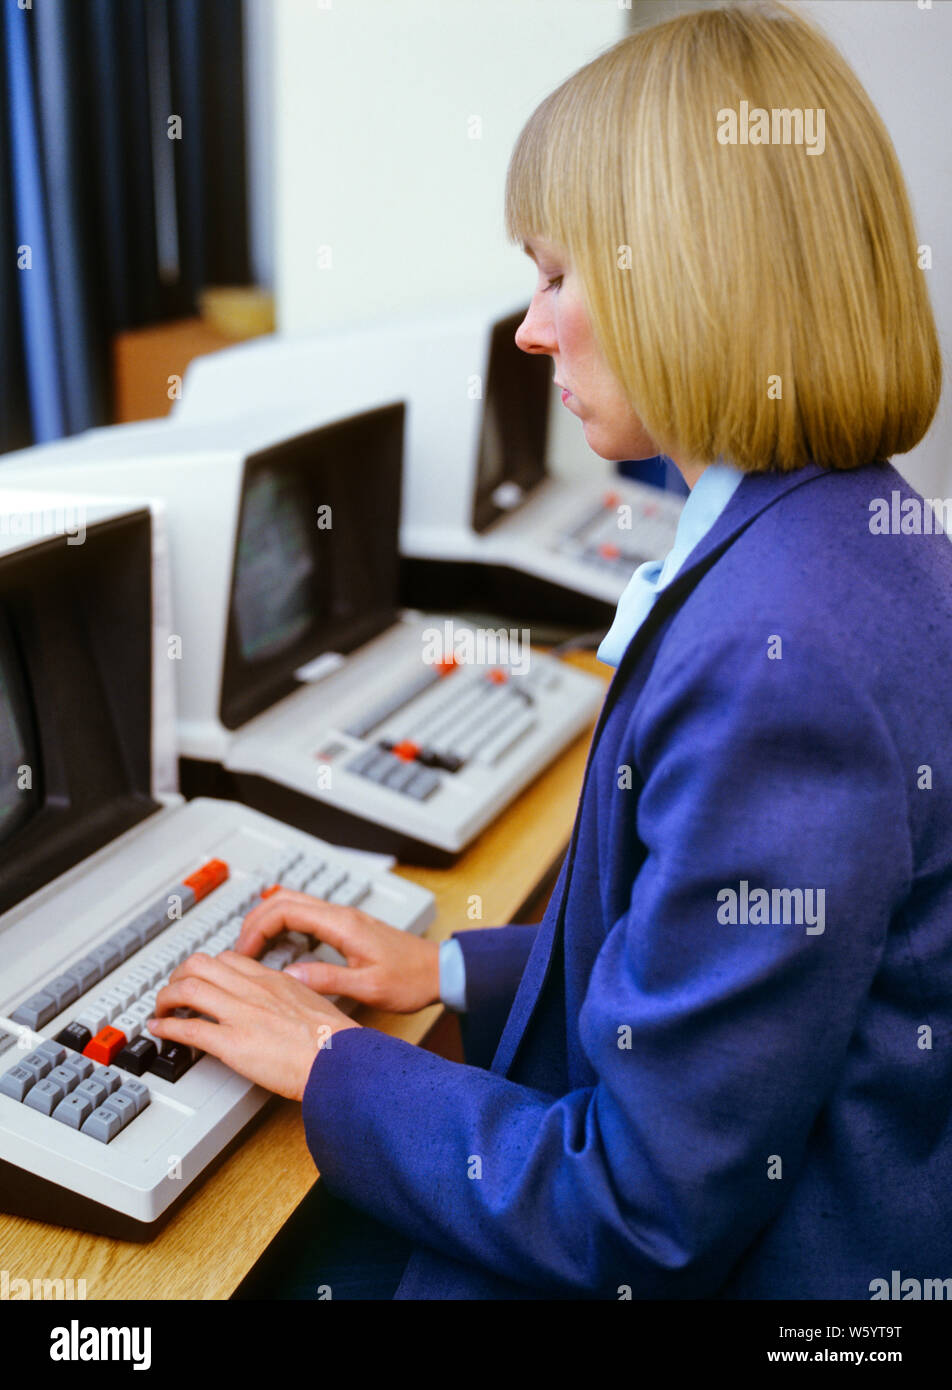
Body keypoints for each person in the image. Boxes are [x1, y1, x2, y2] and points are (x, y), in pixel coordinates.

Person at [149, 0, 951, 1299]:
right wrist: (450, 962)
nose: (531, 330)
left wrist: (331, 1060)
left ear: (692, 274)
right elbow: (725, 969)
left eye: (559, 273)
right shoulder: (844, 533)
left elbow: (637, 1213)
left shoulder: (780, 656)